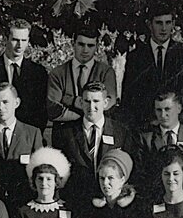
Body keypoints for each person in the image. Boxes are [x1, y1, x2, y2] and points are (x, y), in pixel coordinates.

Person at [52, 81, 132, 209]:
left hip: (111, 203)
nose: (91, 106)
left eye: (96, 101)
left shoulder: (120, 132)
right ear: (81, 102)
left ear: (105, 103)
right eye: (87, 101)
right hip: (77, 202)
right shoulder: (64, 132)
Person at [120, 4, 183, 129]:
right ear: (149, 24)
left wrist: (177, 122)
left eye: (168, 22)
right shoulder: (136, 56)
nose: (164, 28)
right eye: (158, 23)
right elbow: (129, 97)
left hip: (178, 125)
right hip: (145, 128)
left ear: (173, 24)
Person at [0, 82, 46, 206]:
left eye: (5, 102)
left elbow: (39, 170)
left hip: (23, 200)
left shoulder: (32, 133)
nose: (1, 107)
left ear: (16, 103)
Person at [0, 18, 49, 131]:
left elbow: (41, 112)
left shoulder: (38, 73)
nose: (19, 45)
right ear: (6, 39)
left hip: (27, 137)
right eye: (15, 40)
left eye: (24, 40)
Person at [46, 26, 119, 135]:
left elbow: (108, 104)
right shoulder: (58, 73)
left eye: (90, 46)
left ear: (97, 47)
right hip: (65, 133)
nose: (85, 50)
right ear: (73, 44)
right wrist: (86, 114)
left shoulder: (106, 72)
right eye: (81, 44)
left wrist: (70, 100)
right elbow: (53, 109)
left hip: (97, 133)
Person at [136, 90, 183, 193]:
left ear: (179, 108)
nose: (163, 115)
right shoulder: (146, 139)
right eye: (159, 110)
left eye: (167, 109)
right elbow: (143, 172)